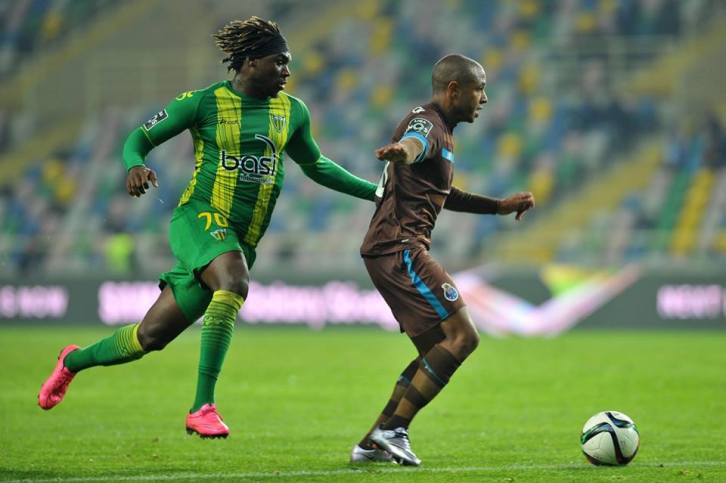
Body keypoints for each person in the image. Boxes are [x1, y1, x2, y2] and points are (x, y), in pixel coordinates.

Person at [38, 16, 377, 439]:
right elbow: (138, 138)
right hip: (199, 219)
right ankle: (202, 407)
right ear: (250, 62)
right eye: (280, 62)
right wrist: (135, 165)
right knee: (234, 281)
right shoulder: (202, 103)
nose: (287, 71)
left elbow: (317, 165)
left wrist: (376, 193)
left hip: (239, 240)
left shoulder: (293, 111)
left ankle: (71, 361)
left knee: (148, 337)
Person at [350, 54, 535, 465]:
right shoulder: (429, 124)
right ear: (454, 90)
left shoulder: (443, 131)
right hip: (400, 247)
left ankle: (371, 444)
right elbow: (415, 145)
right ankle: (393, 430)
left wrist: (499, 207)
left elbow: (444, 193)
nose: (484, 98)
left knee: (436, 349)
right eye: (479, 89)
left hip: (392, 247)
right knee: (463, 337)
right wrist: (403, 150)